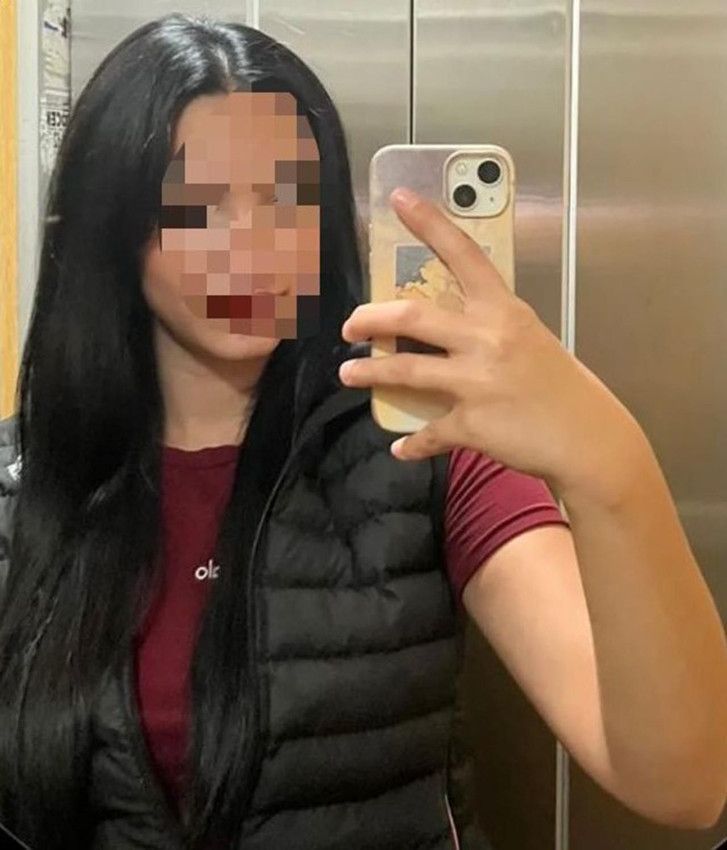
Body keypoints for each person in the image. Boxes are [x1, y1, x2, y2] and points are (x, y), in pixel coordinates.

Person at [0, 12, 725, 850]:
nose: (251, 248)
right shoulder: (25, 483)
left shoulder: (427, 443)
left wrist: (608, 462)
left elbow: (683, 783)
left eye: (287, 199)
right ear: (113, 228)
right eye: (197, 206)